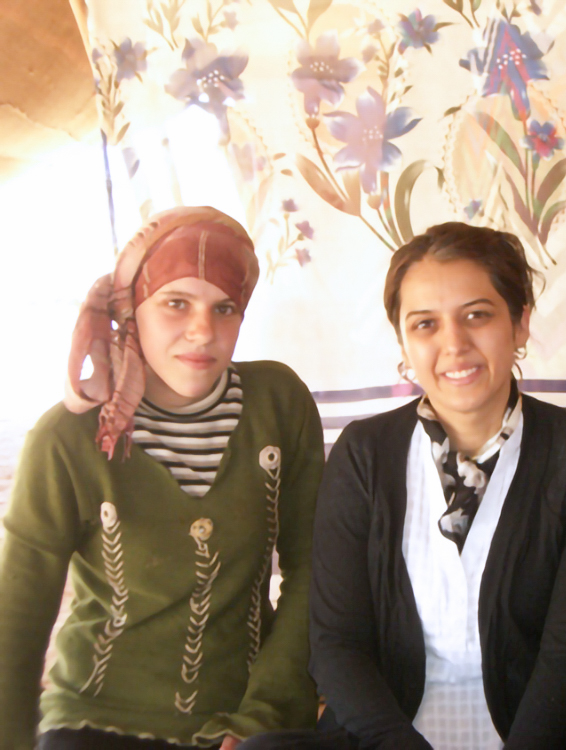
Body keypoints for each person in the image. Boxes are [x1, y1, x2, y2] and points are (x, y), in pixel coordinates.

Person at [242, 222, 566, 750]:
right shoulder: (363, 453)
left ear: (520, 322)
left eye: (477, 316)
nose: (454, 345)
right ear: (403, 341)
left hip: (533, 738)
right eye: (425, 325)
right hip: (387, 742)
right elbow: (336, 645)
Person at [0, 207, 325, 749]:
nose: (203, 330)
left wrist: (262, 717)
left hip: (246, 720)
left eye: (225, 308)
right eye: (176, 303)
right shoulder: (67, 439)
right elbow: (17, 618)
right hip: (93, 721)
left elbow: (314, 569)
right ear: (132, 312)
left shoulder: (278, 404)